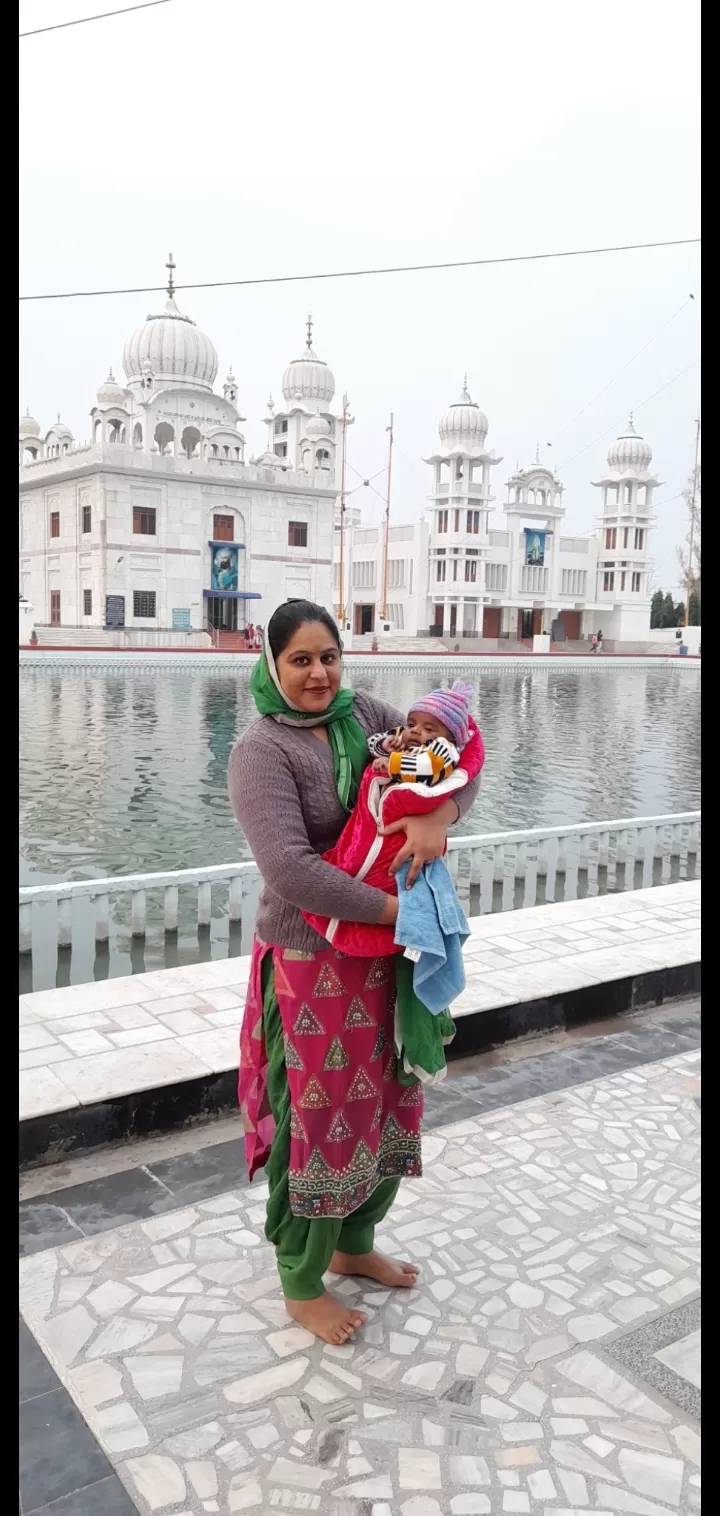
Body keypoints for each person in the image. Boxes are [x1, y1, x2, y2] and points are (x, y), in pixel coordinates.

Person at [228, 600, 480, 1345]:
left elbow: (458, 755)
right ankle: (302, 1283)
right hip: (313, 959)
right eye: (301, 659)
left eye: (329, 656)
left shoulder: (369, 714)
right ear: (274, 664)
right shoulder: (261, 751)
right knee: (319, 1114)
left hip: (383, 958)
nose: (318, 673)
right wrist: (402, 916)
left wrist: (443, 818)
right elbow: (290, 870)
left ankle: (354, 1242)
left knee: (388, 1099)